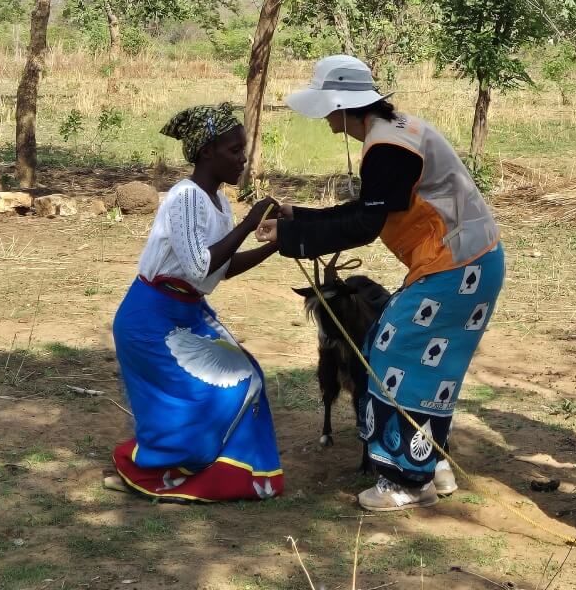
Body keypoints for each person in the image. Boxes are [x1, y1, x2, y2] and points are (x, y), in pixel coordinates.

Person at [255, 55, 505, 512]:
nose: (324, 117)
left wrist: (290, 236)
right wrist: (300, 218)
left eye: (325, 106)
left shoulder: (387, 147)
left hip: (456, 266)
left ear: (339, 105)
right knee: (432, 369)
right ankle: (432, 465)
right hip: (469, 264)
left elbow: (365, 224)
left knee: (392, 357)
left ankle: (406, 481)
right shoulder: (393, 134)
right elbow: (369, 211)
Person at [105, 102, 285, 502]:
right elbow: (201, 264)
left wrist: (276, 246)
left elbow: (217, 272)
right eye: (234, 151)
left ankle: (202, 467)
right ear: (206, 152)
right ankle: (150, 468)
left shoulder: (218, 202)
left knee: (246, 376)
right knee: (210, 392)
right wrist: (249, 223)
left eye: (243, 149)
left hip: (184, 312)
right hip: (150, 319)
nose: (243, 159)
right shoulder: (185, 197)